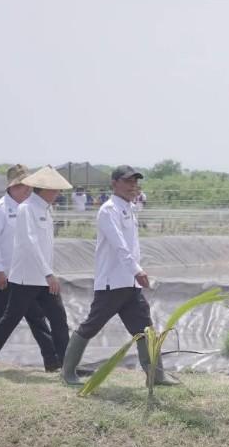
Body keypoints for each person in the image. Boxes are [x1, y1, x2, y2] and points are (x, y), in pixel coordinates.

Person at [61, 165, 178, 386]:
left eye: (135, 181)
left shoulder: (129, 208)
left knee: (145, 329)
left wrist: (134, 273)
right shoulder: (108, 210)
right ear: (114, 184)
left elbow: (131, 248)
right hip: (111, 284)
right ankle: (68, 373)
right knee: (91, 326)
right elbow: (119, 246)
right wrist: (138, 270)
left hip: (130, 284)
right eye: (127, 181)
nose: (132, 185)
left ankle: (156, 375)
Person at [0, 166, 72, 375]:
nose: (25, 188)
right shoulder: (7, 209)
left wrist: (48, 272)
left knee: (49, 319)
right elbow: (15, 243)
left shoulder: (42, 209)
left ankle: (62, 363)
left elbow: (42, 245)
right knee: (3, 318)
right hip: (16, 276)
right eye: (20, 185)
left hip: (36, 276)